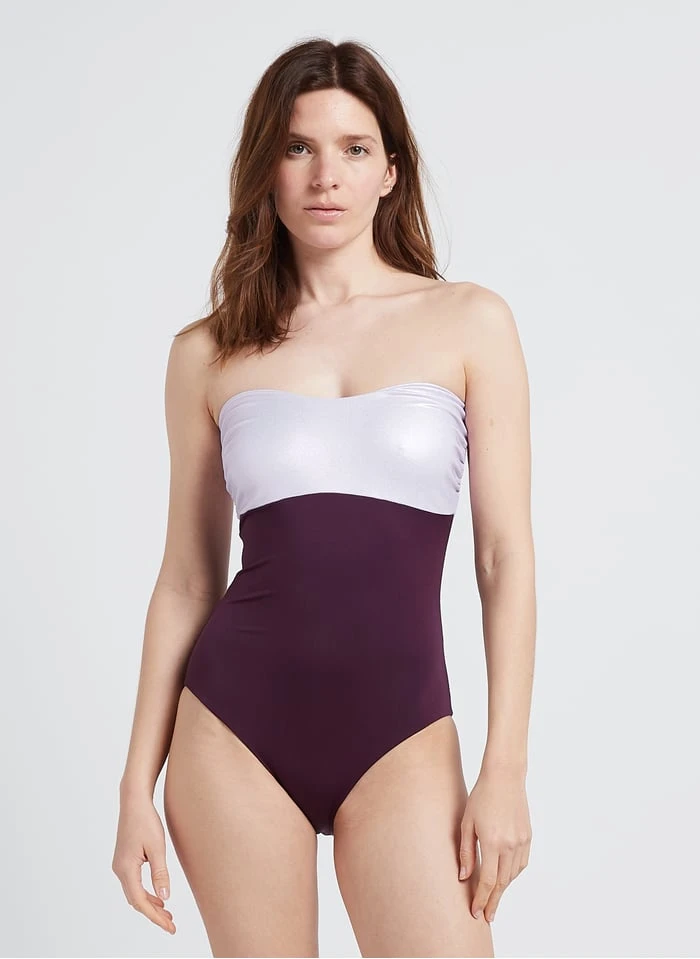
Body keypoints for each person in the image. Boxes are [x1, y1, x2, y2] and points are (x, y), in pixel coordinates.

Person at [111, 36, 535, 958]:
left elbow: (502, 557)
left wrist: (504, 766)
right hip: (233, 731)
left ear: (391, 170)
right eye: (298, 147)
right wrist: (135, 786)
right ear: (265, 167)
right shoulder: (207, 352)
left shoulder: (469, 321)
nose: (325, 176)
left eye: (353, 148)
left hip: (403, 735)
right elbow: (186, 579)